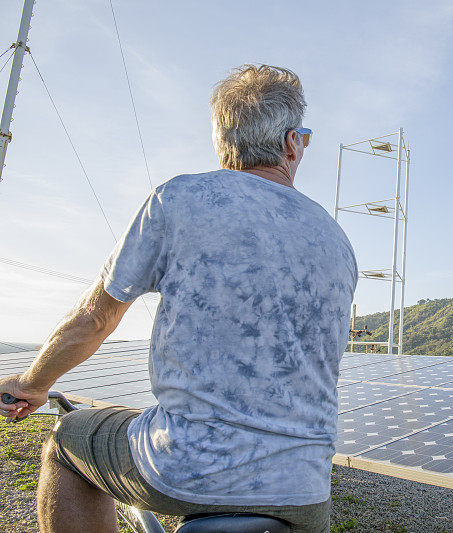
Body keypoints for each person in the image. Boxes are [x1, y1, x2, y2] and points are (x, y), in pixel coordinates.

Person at [0, 64, 357, 533]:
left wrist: (31, 382)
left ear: (224, 145)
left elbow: (94, 319)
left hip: (188, 466)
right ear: (291, 143)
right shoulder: (337, 239)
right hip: (305, 490)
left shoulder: (180, 199)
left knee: (67, 440)